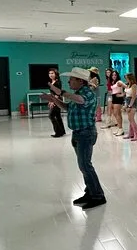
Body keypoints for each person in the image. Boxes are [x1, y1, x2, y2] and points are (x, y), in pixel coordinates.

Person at [41, 67, 105, 210]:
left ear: (80, 81)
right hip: (78, 134)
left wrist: (61, 92)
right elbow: (67, 107)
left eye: (71, 79)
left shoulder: (88, 93)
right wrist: (53, 99)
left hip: (86, 134)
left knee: (85, 166)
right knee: (83, 167)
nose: (69, 82)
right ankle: (90, 192)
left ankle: (98, 196)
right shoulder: (78, 93)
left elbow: (81, 101)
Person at [122, 73, 137, 141]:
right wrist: (125, 105)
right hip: (127, 101)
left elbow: (134, 97)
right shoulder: (127, 85)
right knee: (129, 119)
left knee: (131, 119)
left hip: (132, 103)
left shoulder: (134, 85)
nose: (126, 79)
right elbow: (125, 95)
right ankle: (131, 133)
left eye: (127, 78)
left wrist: (130, 106)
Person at [47, 68, 66, 138]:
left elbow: (57, 93)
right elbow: (52, 93)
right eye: (49, 73)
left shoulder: (57, 82)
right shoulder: (52, 81)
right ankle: (62, 131)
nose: (50, 75)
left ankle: (58, 132)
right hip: (54, 99)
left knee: (51, 115)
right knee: (58, 116)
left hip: (57, 100)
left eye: (52, 73)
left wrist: (53, 102)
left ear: (56, 74)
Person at [110, 71, 125, 136]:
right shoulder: (113, 82)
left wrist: (122, 94)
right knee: (116, 113)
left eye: (115, 75)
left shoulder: (119, 82)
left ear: (117, 75)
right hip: (114, 97)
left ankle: (120, 129)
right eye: (112, 75)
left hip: (118, 98)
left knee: (117, 113)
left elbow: (127, 87)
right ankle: (119, 128)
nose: (114, 76)